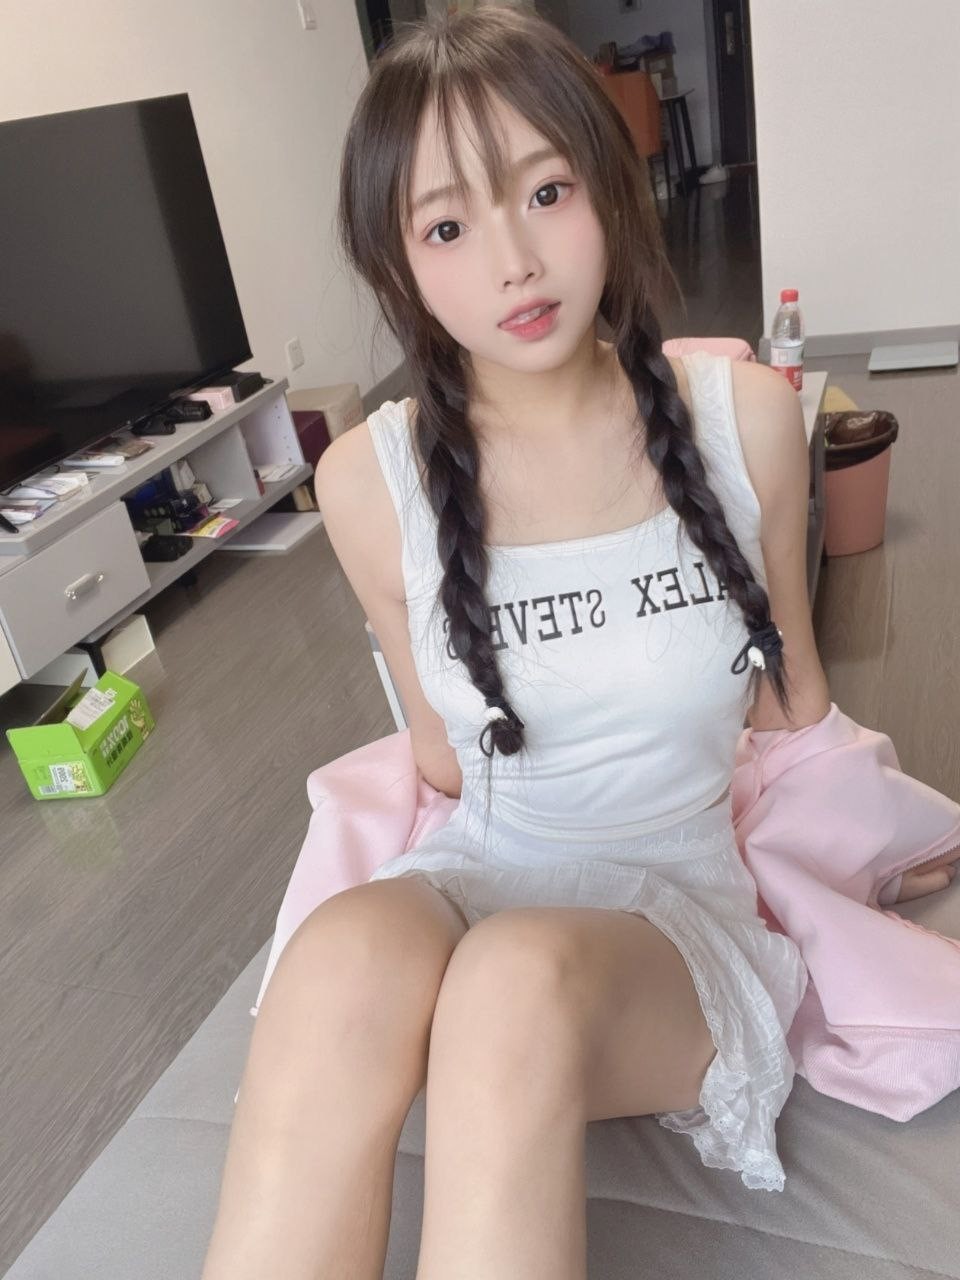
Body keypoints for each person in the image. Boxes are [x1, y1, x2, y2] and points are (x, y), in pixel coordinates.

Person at [200, 8, 956, 1278]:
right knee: (335, 956)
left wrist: (884, 854)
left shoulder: (746, 422)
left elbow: (792, 708)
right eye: (448, 227)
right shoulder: (370, 485)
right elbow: (442, 761)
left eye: (545, 192)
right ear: (399, 266)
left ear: (609, 187)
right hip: (486, 866)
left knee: (510, 983)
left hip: (672, 919)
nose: (514, 263)